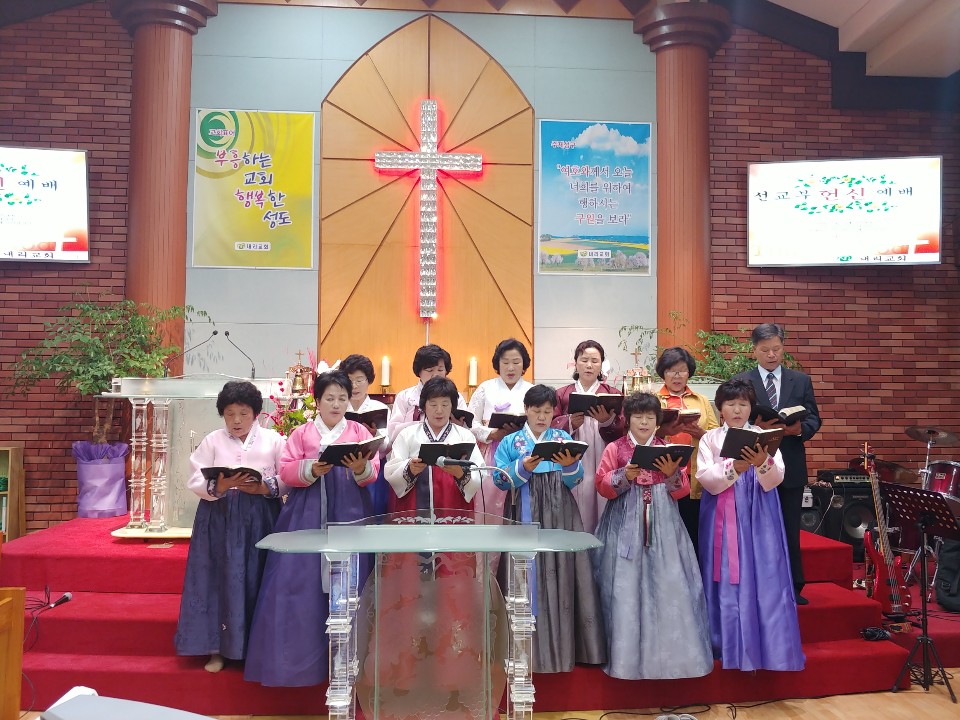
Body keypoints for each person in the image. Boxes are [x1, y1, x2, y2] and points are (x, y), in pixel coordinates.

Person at [244, 370, 381, 687]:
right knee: (297, 581)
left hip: (350, 511)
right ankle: (298, 665)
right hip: (306, 512)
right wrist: (312, 468)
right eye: (329, 398)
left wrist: (361, 467)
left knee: (351, 583)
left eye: (342, 398)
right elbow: (286, 470)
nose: (336, 404)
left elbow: (372, 471)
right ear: (317, 401)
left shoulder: (358, 431)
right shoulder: (302, 434)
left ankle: (350, 666)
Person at [592, 392, 713, 680]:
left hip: (664, 522)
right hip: (623, 520)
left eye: (649, 417)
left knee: (669, 581)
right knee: (624, 583)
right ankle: (625, 658)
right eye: (638, 417)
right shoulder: (615, 448)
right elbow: (601, 485)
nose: (644, 422)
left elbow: (682, 491)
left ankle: (671, 658)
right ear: (628, 420)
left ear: (658, 421)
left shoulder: (668, 449)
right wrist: (624, 476)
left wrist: (672, 474)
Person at [174, 380, 286, 673]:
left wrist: (264, 487)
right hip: (219, 516)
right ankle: (217, 649)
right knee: (218, 578)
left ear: (256, 413)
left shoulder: (274, 440)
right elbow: (195, 477)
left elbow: (287, 475)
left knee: (258, 575)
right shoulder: (212, 440)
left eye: (244, 413)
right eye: (229, 414)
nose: (236, 420)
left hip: (261, 515)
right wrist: (219, 485)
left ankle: (255, 648)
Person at [494, 384, 606, 673]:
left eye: (547, 411)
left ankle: (561, 650)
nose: (542, 417)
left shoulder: (562, 438)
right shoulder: (511, 442)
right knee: (523, 575)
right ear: (526, 410)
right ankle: (521, 653)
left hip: (559, 509)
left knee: (561, 570)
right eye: (536, 411)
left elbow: (576, 479)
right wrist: (523, 467)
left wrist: (569, 466)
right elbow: (500, 480)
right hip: (523, 508)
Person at [696, 379, 804, 672]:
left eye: (743, 404)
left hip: (760, 511)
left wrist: (762, 462)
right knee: (725, 572)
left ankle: (767, 646)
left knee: (764, 570)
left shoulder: (764, 437)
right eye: (730, 404)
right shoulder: (710, 439)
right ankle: (725, 643)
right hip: (722, 512)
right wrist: (735, 467)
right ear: (720, 408)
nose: (737, 410)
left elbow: (777, 477)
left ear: (750, 408)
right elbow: (705, 478)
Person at [733, 323, 821, 606]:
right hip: (754, 464)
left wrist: (799, 429)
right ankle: (756, 586)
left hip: (790, 464)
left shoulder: (801, 380)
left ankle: (793, 586)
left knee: (789, 528)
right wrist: (753, 425)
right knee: (754, 528)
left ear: (783, 348)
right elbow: (732, 419)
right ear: (754, 350)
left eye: (776, 349)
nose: (771, 355)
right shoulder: (742, 381)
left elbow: (814, 418)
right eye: (765, 350)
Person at [553, 340, 625, 533]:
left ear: (601, 364)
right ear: (575, 363)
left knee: (601, 495)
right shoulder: (562, 394)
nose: (589, 365)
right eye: (584, 360)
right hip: (573, 453)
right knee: (577, 494)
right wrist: (569, 423)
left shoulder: (613, 394)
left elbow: (624, 430)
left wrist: (606, 422)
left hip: (602, 450)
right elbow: (550, 427)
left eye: (595, 360)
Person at [385, 376, 483, 515]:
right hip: (414, 507)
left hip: (454, 505)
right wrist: (410, 468)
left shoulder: (465, 436)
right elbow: (391, 471)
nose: (439, 410)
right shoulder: (407, 434)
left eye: (445, 404)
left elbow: (480, 472)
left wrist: (460, 473)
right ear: (424, 406)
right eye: (433, 404)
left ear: (452, 406)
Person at [654, 346, 720, 553]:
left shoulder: (701, 401)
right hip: (662, 474)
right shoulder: (654, 401)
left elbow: (717, 437)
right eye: (671, 371)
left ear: (689, 372)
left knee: (694, 533)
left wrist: (700, 433)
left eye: (682, 370)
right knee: (665, 533)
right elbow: (642, 435)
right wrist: (663, 430)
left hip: (694, 476)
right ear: (663, 373)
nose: (677, 376)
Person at [467, 338, 534, 520]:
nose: (510, 368)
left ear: (524, 364)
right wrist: (492, 433)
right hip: (491, 451)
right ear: (498, 364)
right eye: (505, 362)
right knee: (489, 499)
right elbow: (470, 423)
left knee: (520, 500)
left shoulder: (531, 390)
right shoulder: (485, 388)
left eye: (516, 362)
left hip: (523, 453)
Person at [386, 344, 468, 445]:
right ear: (419, 372)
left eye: (440, 370)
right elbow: (393, 433)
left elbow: (467, 432)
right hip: (411, 449)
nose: (435, 375)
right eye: (429, 370)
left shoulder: (456, 397)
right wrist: (423, 426)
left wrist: (459, 426)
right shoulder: (405, 397)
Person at [341, 352, 391, 515]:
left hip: (374, 468)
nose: (354, 386)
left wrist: (375, 434)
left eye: (359, 380)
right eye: (349, 380)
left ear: (368, 380)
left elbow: (386, 446)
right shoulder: (338, 407)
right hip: (344, 467)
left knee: (373, 512)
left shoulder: (380, 408)